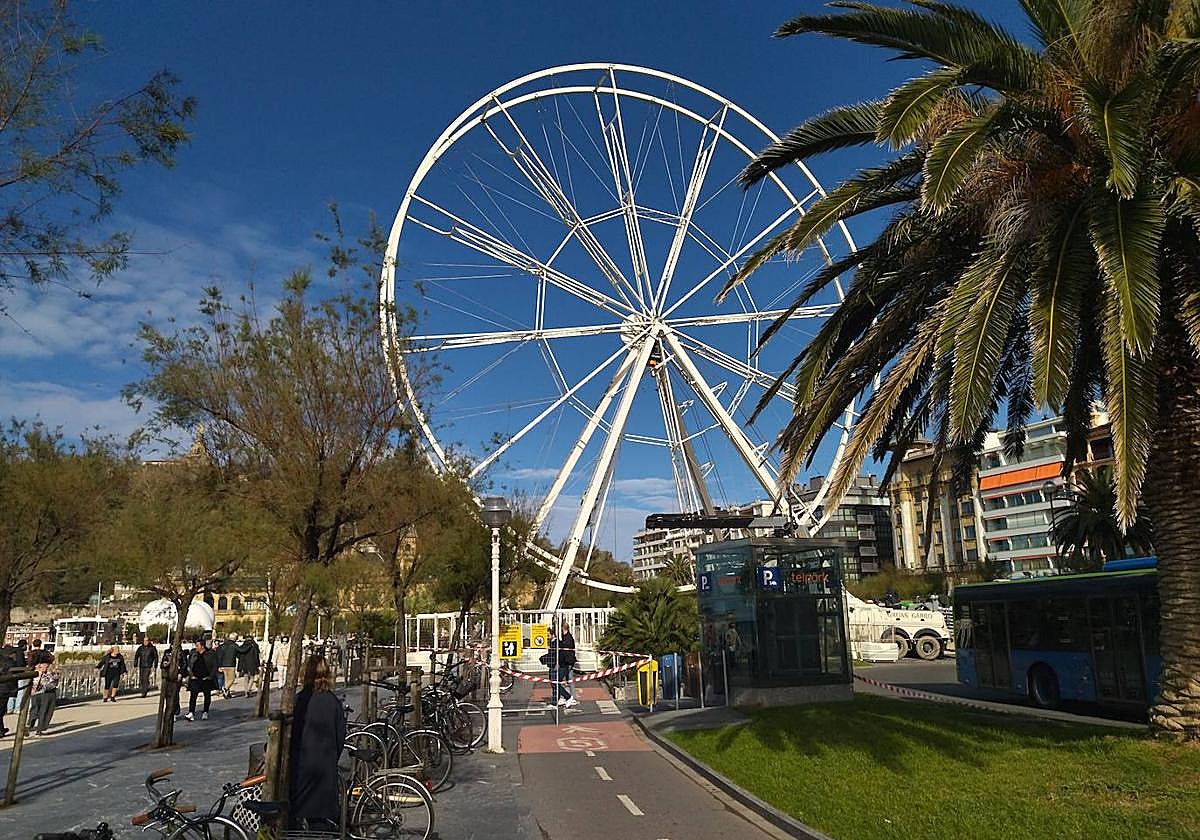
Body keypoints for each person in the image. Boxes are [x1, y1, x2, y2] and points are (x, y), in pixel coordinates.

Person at [289, 654, 345, 830]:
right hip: (325, 764)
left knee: (298, 810)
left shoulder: (300, 701)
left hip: (303, 764)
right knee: (321, 819)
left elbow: (292, 735)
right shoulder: (333, 702)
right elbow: (340, 736)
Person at [183, 639, 217, 721]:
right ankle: (191, 712)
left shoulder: (210, 654)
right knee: (193, 696)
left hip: (206, 678)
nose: (196, 647)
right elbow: (189, 664)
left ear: (202, 646)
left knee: (207, 695)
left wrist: (210, 676)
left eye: (197, 645)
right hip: (195, 678)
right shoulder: (194, 654)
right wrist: (191, 675)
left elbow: (215, 665)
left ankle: (205, 712)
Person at [27, 660, 60, 736]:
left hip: (37, 693)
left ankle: (31, 726)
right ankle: (36, 728)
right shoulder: (49, 671)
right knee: (43, 711)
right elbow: (53, 682)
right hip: (46, 693)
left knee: (36, 709)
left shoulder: (34, 671)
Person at [559, 622, 578, 708]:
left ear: (563, 628)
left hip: (567, 662)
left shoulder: (567, 638)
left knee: (562, 679)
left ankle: (565, 697)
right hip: (570, 661)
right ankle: (572, 697)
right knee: (570, 679)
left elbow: (565, 650)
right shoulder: (568, 637)